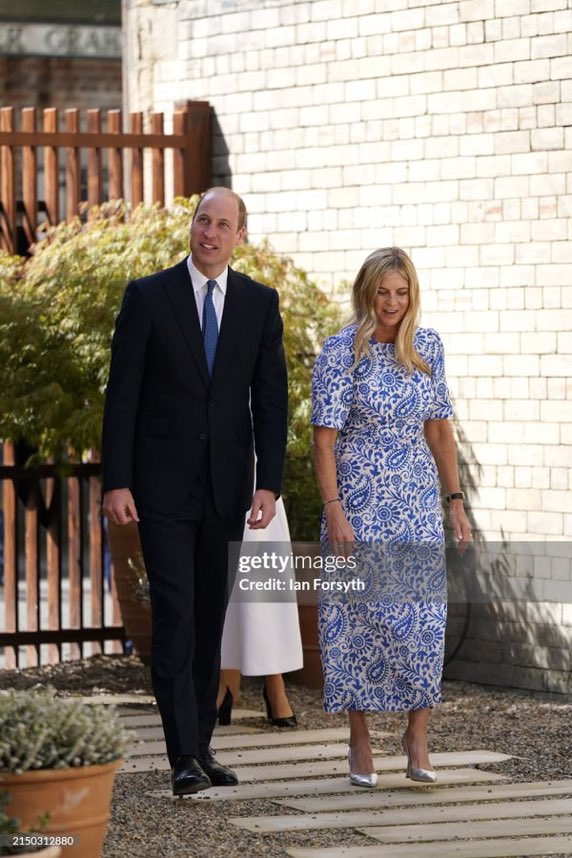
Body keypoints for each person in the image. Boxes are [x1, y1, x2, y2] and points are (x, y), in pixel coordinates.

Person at [101, 187, 288, 797]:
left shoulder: (260, 305)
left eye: (222, 224)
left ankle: (201, 745)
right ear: (192, 227)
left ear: (239, 237)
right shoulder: (149, 297)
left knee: (211, 618)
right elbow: (121, 396)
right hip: (160, 489)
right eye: (202, 220)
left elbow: (271, 400)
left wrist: (268, 483)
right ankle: (181, 754)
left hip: (228, 489)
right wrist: (117, 480)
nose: (209, 232)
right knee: (177, 614)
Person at [311, 247, 471, 788]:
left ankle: (416, 736)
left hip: (415, 507)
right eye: (383, 292)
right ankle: (359, 741)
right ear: (367, 292)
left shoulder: (426, 347)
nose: (392, 303)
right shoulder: (339, 352)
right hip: (356, 504)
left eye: (402, 293)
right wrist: (333, 508)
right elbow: (323, 442)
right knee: (355, 620)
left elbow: (439, 431)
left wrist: (455, 502)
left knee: (421, 624)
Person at [217, 496, 302, 728]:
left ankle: (274, 683)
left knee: (262, 580)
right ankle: (223, 683)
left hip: (258, 478)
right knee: (219, 575)